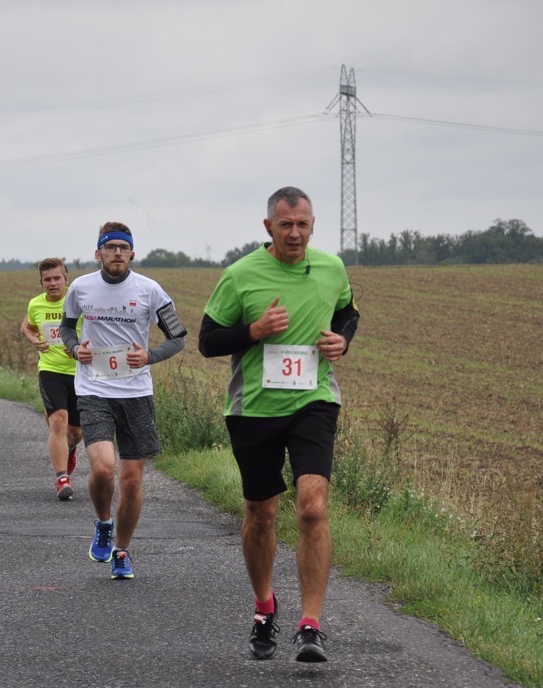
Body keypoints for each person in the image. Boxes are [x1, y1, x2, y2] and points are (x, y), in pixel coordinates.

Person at [198, 186, 359, 663]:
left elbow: (348, 312)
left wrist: (342, 341)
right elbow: (208, 341)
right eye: (285, 225)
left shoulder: (331, 268)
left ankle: (311, 625)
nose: (294, 233)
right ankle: (265, 607)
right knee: (261, 515)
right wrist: (253, 331)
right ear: (268, 227)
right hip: (253, 409)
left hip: (314, 401)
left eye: (302, 224)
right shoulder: (240, 275)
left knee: (312, 506)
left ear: (313, 225)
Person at [59, 222, 186, 579]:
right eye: (110, 247)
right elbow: (67, 328)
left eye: (123, 247)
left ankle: (122, 551)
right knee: (102, 469)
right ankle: (103, 523)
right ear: (98, 252)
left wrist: (150, 356)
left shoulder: (150, 290)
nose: (117, 252)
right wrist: (75, 348)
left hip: (136, 393)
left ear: (132, 253)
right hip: (94, 389)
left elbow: (177, 337)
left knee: (131, 480)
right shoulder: (80, 287)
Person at [21, 258, 84, 500]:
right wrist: (33, 339)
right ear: (41, 282)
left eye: (57, 278)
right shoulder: (35, 304)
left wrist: (77, 346)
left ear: (66, 279)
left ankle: (70, 448)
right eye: (47, 279)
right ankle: (62, 478)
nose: (52, 283)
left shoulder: (78, 301)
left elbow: (98, 331)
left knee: (76, 432)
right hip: (50, 370)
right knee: (57, 421)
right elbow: (27, 327)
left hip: (80, 373)